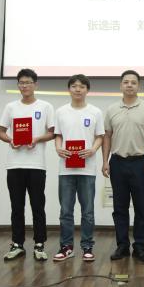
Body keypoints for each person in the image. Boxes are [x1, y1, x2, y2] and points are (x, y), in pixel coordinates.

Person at [102, 70, 144, 262]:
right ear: (121, 85)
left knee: (141, 207)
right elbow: (107, 136)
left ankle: (140, 246)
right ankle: (122, 246)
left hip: (140, 162)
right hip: (117, 162)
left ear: (138, 86)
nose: (129, 85)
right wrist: (105, 161)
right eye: (126, 82)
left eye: (133, 82)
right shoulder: (111, 109)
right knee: (119, 207)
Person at [0, 68, 55, 261]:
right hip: (14, 165)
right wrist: (10, 140)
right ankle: (17, 244)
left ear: (35, 85)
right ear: (18, 86)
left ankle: (39, 244)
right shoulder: (11, 107)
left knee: (38, 205)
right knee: (17, 206)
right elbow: (0, 132)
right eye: (21, 83)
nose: (25, 86)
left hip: (37, 165)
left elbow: (52, 133)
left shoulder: (45, 106)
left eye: (28, 82)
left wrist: (36, 139)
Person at [53, 74, 104, 262]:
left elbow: (100, 136)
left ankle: (87, 246)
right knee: (66, 211)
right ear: (69, 89)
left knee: (87, 211)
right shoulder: (61, 111)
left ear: (87, 90)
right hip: (65, 169)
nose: (78, 89)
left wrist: (93, 149)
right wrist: (58, 148)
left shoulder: (95, 112)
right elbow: (58, 135)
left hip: (87, 169)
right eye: (74, 86)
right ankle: (66, 247)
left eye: (82, 86)